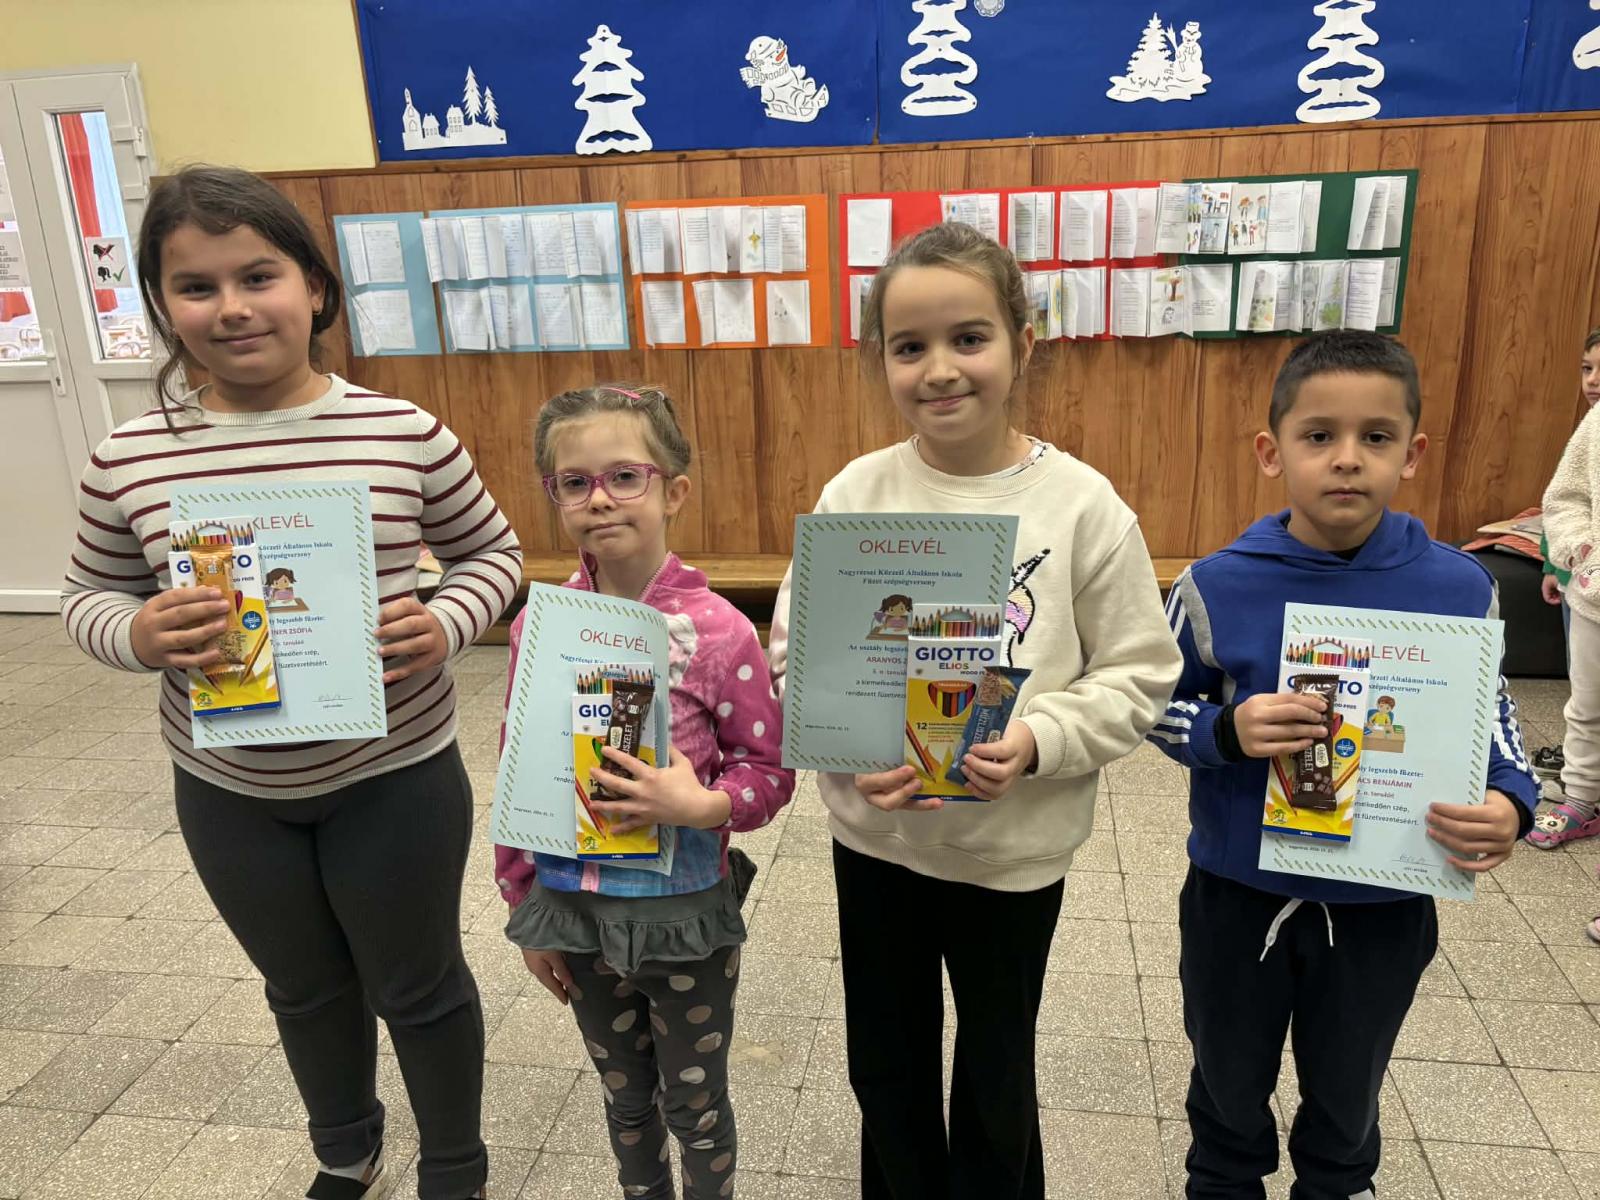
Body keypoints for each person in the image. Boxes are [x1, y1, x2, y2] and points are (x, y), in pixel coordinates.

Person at [60, 165, 522, 1200]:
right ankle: (345, 1150)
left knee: (419, 987)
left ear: (314, 286)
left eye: (257, 276)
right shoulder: (129, 457)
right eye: (196, 286)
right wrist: (136, 630)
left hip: (393, 773)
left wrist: (446, 622)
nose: (230, 307)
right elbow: (85, 593)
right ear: (162, 305)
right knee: (303, 988)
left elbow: (494, 555)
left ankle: (456, 1166)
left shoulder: (402, 432)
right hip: (229, 788)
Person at [768, 221, 1182, 1199]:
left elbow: (1139, 675)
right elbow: (796, 652)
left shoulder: (1082, 507)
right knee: (886, 1068)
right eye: (909, 347)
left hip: (1011, 854)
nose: (940, 369)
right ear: (880, 360)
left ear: (1022, 342)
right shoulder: (857, 491)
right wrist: (846, 742)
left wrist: (1038, 739)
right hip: (878, 842)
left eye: (969, 338)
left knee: (996, 1079)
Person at [1152, 331, 1537, 1199]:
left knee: (1349, 1085)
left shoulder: (1459, 587)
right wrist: (1225, 729)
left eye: (1377, 437)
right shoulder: (1215, 585)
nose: (1348, 459)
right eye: (1319, 435)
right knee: (1226, 1076)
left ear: (1413, 454)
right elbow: (1150, 709)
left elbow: (1494, 714)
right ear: (1272, 451)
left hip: (1384, 901)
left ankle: (1336, 1182)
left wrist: (1511, 800)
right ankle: (1223, 1178)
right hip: (1238, 893)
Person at [493, 384, 793, 1200]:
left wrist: (702, 806)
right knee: (625, 1101)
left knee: (695, 1103)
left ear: (674, 490)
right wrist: (523, 901)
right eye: (575, 482)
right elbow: (518, 763)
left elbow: (770, 771)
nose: (600, 499)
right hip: (576, 913)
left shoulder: (717, 631)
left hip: (682, 918)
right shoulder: (539, 628)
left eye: (625, 476)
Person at [1528, 329, 1600, 813]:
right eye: (1586, 368)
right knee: (1586, 694)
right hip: (1588, 586)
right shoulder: (1591, 429)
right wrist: (1563, 559)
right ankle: (1580, 790)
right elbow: (1564, 499)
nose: (1592, 380)